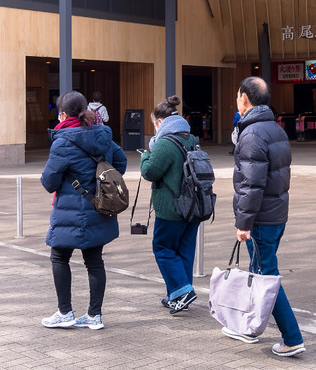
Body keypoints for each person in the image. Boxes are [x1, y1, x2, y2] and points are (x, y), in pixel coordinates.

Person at [222, 76, 305, 357]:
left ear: (245, 98)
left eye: (237, 96)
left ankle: (292, 337)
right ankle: (248, 326)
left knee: (266, 274)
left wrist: (243, 223)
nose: (236, 100)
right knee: (259, 271)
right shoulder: (274, 129)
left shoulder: (253, 133)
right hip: (276, 214)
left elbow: (252, 184)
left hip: (261, 219)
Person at [39, 91, 127, 330]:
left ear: (63, 114)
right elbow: (120, 163)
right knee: (94, 261)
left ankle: (65, 312)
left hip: (69, 210)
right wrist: (100, 181)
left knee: (59, 257)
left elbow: (49, 182)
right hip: (98, 207)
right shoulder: (103, 134)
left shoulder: (63, 140)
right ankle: (94, 316)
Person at [139, 95, 200, 314]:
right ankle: (179, 295)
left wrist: (145, 156)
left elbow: (150, 172)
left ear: (160, 122)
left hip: (172, 207)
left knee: (163, 248)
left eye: (154, 124)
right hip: (193, 206)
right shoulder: (190, 138)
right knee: (184, 250)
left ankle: (182, 291)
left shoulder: (165, 143)